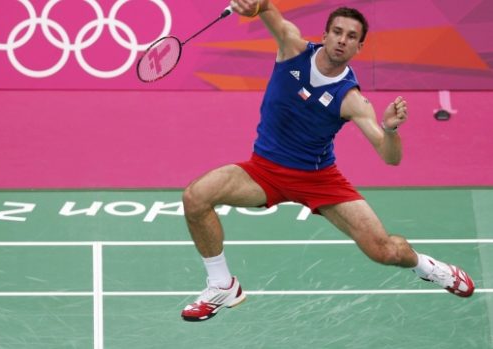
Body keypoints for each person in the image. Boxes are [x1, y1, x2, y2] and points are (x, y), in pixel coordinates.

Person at [180, 0, 475, 322]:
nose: (342, 40)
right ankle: (222, 284)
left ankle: (427, 266)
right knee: (196, 197)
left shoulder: (352, 99)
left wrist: (390, 129)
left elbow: (390, 157)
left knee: (385, 252)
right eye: (337, 32)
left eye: (351, 36)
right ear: (325, 34)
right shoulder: (292, 48)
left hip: (319, 178)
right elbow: (267, 10)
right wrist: (255, 4)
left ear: (359, 47)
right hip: (263, 170)